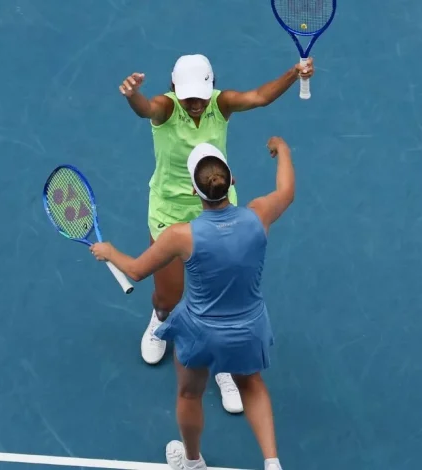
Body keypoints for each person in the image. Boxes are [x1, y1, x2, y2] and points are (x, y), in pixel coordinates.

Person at [119, 54, 313, 413]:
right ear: (174, 88)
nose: (195, 104)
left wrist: (293, 72)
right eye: (188, 95)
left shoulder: (221, 105)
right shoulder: (165, 108)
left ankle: (223, 366)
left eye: (201, 96)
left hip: (217, 206)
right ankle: (159, 319)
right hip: (169, 213)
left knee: (222, 297)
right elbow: (145, 108)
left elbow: (259, 97)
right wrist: (132, 95)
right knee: (167, 295)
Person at [89, 136, 295, 470]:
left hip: (200, 332)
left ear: (193, 192)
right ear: (232, 182)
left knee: (189, 394)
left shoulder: (180, 236)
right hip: (249, 327)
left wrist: (109, 252)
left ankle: (192, 461)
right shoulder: (259, 215)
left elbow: (137, 271)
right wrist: (283, 152)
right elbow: (286, 190)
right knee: (251, 384)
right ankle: (272, 463)